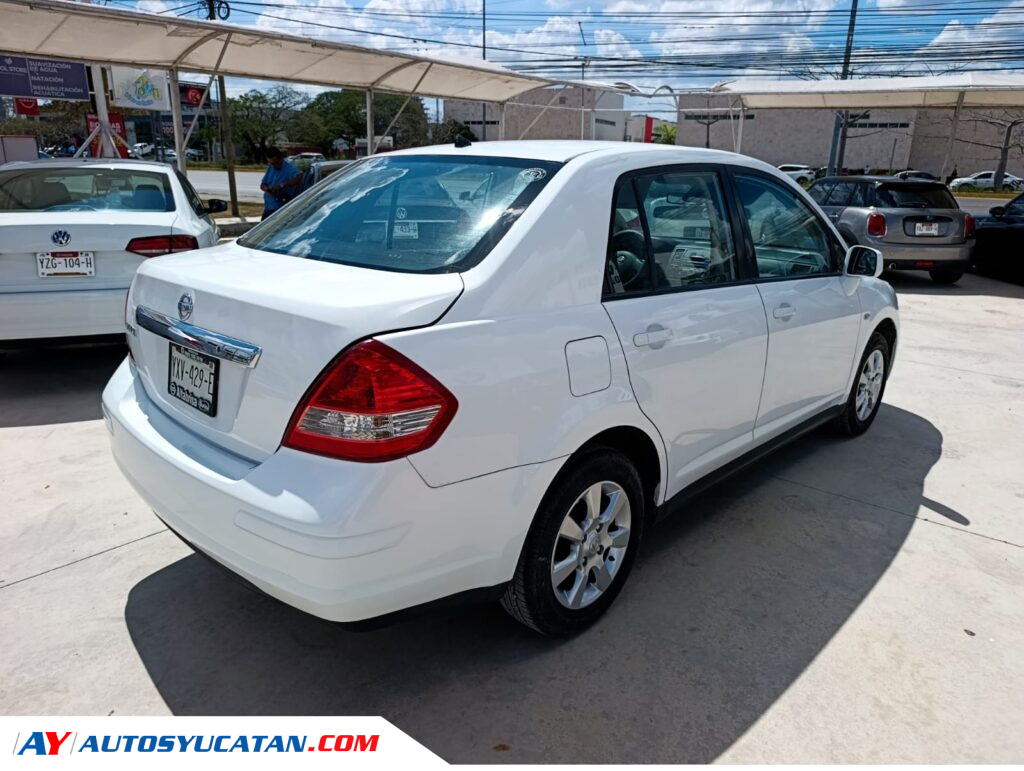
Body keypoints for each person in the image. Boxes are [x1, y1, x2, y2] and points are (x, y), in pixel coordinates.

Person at [259, 147, 303, 220]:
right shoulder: (270, 168)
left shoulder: (289, 168)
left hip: (280, 210)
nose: (273, 165)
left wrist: (282, 186)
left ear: (280, 159)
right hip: (268, 207)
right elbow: (263, 184)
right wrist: (267, 189)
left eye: (275, 163)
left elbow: (299, 178)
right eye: (270, 163)